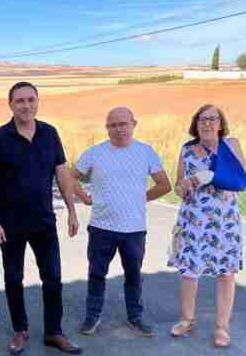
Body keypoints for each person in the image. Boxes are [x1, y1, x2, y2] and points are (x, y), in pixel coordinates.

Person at [0, 81, 82, 356]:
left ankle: (53, 332)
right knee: (13, 278)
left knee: (53, 277)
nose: (26, 105)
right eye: (20, 101)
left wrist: (72, 211)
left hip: (44, 221)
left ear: (38, 102)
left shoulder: (50, 133)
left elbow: (62, 173)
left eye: (31, 100)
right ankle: (20, 330)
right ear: (10, 105)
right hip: (10, 223)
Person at [71, 107, 171, 337]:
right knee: (96, 274)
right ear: (107, 128)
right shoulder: (95, 152)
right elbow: (70, 175)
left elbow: (164, 184)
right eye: (112, 125)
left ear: (133, 124)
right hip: (101, 228)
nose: (118, 129)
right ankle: (92, 317)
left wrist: (142, 197)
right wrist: (84, 196)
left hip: (134, 229)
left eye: (123, 124)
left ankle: (135, 317)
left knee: (133, 275)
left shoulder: (146, 152)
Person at [167, 104, 245, 348]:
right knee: (190, 270)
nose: (207, 123)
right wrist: (184, 186)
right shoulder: (187, 150)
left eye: (212, 119)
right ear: (195, 124)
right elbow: (178, 186)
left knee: (225, 272)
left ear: (221, 124)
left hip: (224, 221)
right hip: (193, 218)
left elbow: (240, 180)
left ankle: (222, 328)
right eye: (202, 119)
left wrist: (210, 176)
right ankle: (187, 319)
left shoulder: (231, 146)